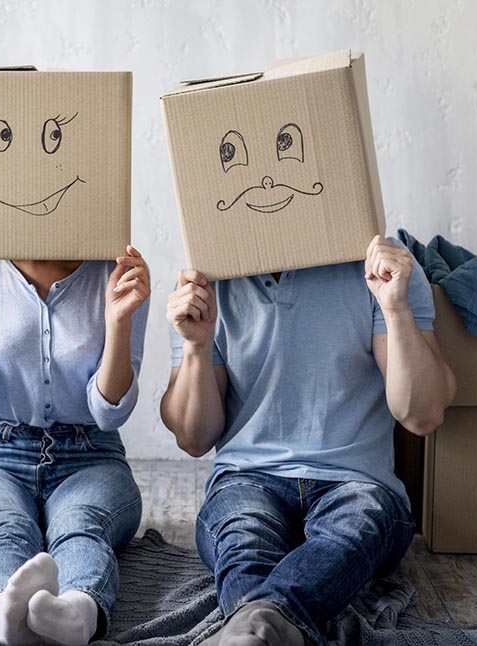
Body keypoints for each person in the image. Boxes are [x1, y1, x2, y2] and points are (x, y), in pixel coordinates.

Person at [160, 235, 456, 646]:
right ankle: (269, 627)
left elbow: (423, 415)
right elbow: (194, 438)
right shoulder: (206, 279)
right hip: (248, 477)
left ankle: (249, 629)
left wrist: (395, 308)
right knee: (243, 535)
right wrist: (196, 345)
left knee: (356, 526)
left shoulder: (384, 267)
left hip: (356, 482)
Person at [0, 245, 150, 646]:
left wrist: (118, 321)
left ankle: (77, 614)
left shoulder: (117, 270)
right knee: (4, 528)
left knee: (81, 525)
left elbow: (109, 414)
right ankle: (4, 614)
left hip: (91, 451)